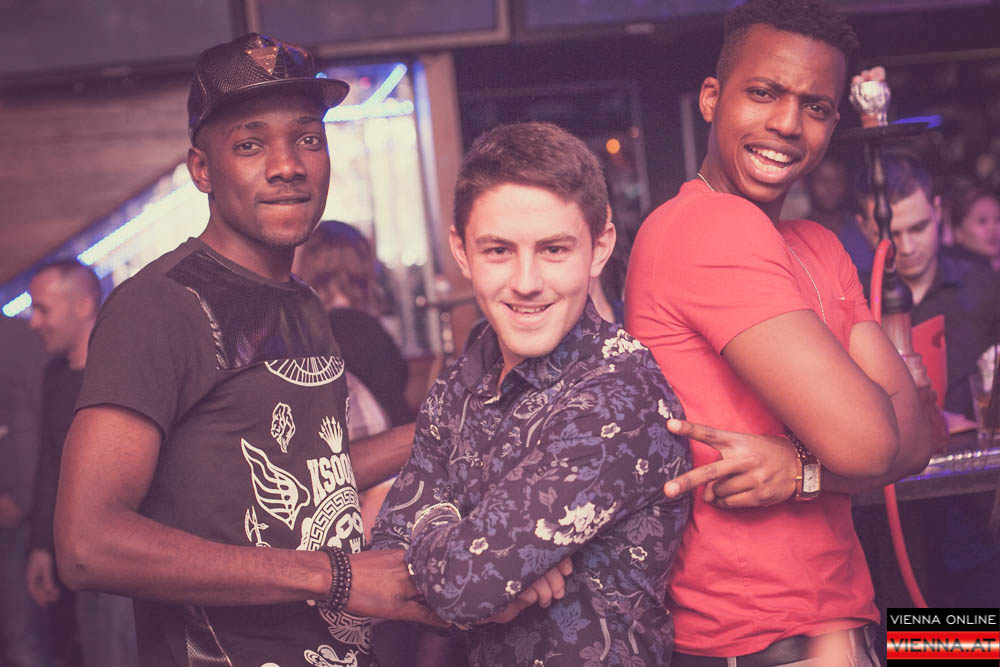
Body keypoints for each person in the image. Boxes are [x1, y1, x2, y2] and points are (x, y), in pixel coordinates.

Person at [52, 33, 452, 666]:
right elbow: (86, 543)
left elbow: (308, 474)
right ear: (202, 170)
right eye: (249, 144)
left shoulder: (301, 302)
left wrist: (443, 431)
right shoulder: (160, 306)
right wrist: (335, 575)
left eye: (308, 139)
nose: (287, 164)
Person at [624, 1, 935, 664]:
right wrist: (842, 452)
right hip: (762, 644)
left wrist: (799, 470)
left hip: (844, 629)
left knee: (972, 633)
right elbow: (872, 440)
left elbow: (916, 440)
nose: (788, 125)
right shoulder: (704, 226)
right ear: (712, 99)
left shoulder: (817, 244)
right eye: (763, 93)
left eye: (815, 106)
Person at [372, 121, 692, 666]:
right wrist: (479, 549)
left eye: (553, 249)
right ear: (462, 251)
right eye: (498, 250)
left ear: (599, 248)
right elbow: (387, 542)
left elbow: (468, 584)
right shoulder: (468, 372)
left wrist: (475, 554)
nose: (525, 281)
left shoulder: (621, 396)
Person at [26, 259, 140, 667]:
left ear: (83, 306)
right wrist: (41, 547)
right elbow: (50, 463)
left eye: (43, 309)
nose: (33, 322)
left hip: (128, 557)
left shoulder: (125, 369)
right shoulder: (55, 376)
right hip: (81, 558)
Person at [855, 155, 1000, 421]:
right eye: (891, 235)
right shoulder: (853, 301)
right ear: (863, 228)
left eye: (918, 228)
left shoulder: (985, 286)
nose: (907, 248)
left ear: (937, 211)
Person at [295, 220, 414, 425]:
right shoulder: (366, 329)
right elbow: (395, 405)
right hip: (386, 439)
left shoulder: (307, 331)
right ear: (362, 265)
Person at [0, 315, 47, 667]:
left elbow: (30, 420)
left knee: (21, 637)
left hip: (13, 512)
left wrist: (20, 498)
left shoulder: (13, 337)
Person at [804, 152, 874, 273]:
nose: (831, 188)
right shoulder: (797, 234)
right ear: (808, 184)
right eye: (823, 181)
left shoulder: (862, 231)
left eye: (838, 180)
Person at [946, 186, 1000, 271]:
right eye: (982, 221)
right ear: (958, 233)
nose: (992, 228)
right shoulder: (956, 273)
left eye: (998, 220)